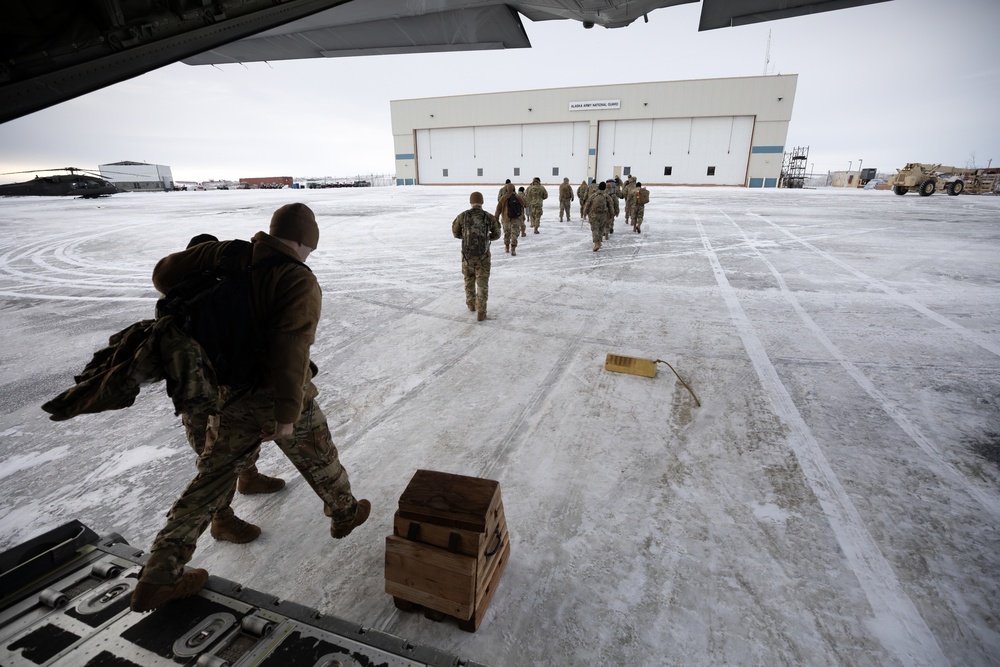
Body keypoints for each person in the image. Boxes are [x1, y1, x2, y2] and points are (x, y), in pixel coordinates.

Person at [130, 203, 370, 613]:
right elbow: (291, 351)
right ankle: (344, 512)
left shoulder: (226, 252)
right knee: (317, 451)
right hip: (268, 392)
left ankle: (159, 575)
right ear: (302, 240)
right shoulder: (297, 279)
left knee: (210, 480)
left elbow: (162, 275)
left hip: (224, 392)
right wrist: (285, 418)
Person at [180, 233, 286, 545]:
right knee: (214, 459)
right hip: (200, 396)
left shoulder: (219, 289)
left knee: (244, 435)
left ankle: (249, 478)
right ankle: (221, 520)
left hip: (226, 389)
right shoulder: (185, 300)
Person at [453, 192, 501, 321]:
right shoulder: (488, 217)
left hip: (467, 256)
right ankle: (481, 311)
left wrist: (466, 237)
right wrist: (486, 237)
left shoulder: (462, 216)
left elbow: (455, 233)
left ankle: (471, 304)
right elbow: (497, 234)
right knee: (482, 284)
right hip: (483, 256)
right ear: (482, 202)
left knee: (469, 280)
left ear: (470, 202)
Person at [494, 183, 526, 256]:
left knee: (507, 233)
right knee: (514, 234)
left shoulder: (503, 197)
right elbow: (523, 204)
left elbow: (498, 209)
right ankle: (513, 249)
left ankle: (507, 247)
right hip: (515, 218)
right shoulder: (517, 196)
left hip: (506, 219)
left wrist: (496, 218)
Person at [582, 181, 611, 251]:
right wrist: (611, 214)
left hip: (594, 215)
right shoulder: (606, 196)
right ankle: (599, 242)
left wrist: (585, 213)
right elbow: (610, 205)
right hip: (603, 215)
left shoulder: (594, 195)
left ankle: (596, 243)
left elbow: (588, 204)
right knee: (601, 229)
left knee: (595, 229)